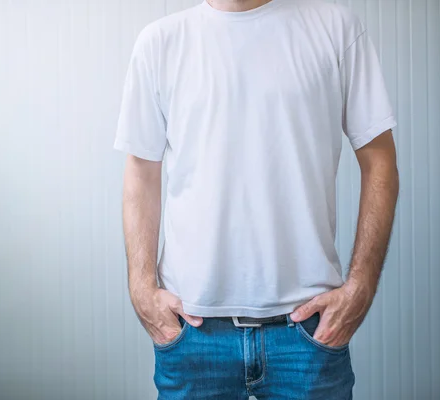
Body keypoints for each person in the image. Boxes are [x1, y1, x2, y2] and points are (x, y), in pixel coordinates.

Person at [114, 0, 399, 398]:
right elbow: (141, 174)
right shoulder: (160, 42)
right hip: (192, 331)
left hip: (308, 335)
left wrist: (362, 285)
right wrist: (141, 288)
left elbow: (379, 159)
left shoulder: (336, 28)